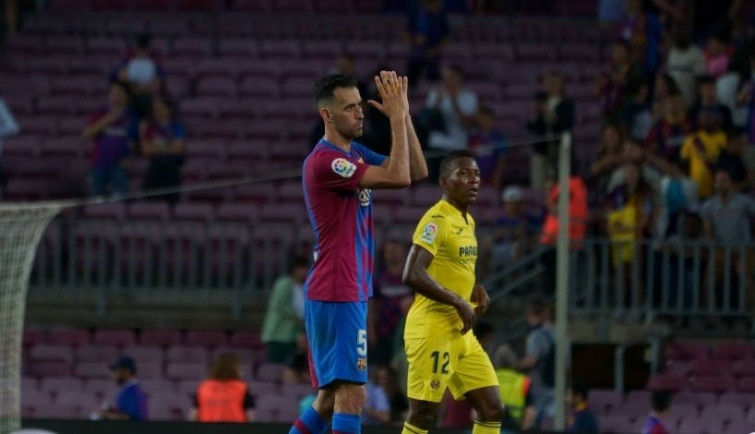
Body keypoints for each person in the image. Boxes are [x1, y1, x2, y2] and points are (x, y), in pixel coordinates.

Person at [289, 70, 427, 434]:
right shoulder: (326, 161)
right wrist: (395, 118)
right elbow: (397, 178)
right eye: (349, 108)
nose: (360, 113)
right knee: (353, 395)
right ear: (327, 115)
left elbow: (415, 169)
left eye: (359, 106)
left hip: (345, 288)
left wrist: (405, 114)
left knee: (330, 399)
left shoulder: (355, 152)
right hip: (338, 288)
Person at [401, 150, 503, 434]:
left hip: (461, 332)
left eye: (477, 174)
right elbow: (412, 273)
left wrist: (473, 289)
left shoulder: (468, 221)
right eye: (464, 174)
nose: (474, 180)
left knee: (492, 408)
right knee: (423, 414)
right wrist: (457, 300)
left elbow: (454, 268)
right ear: (444, 182)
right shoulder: (437, 219)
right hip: (433, 328)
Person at [82, 81, 137, 197]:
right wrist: (105, 122)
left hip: (120, 166)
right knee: (97, 199)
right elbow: (86, 134)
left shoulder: (132, 117)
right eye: (113, 93)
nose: (115, 97)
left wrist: (130, 157)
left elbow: (135, 142)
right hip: (99, 163)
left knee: (119, 200)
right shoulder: (101, 114)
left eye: (119, 93)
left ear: (127, 96)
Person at [512, 296, 555, 427]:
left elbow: (531, 360)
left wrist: (516, 365)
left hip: (539, 389)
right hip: (555, 388)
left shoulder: (536, 335)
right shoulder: (557, 332)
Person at [369, 239, 413, 366]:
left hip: (407, 332)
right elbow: (372, 305)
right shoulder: (378, 277)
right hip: (384, 331)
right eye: (389, 251)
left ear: (403, 252)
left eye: (396, 250)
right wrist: (371, 329)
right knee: (384, 368)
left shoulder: (411, 276)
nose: (393, 254)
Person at [261, 256, 309, 364]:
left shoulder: (304, 287)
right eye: (300, 268)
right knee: (276, 366)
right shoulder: (283, 284)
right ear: (294, 269)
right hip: (279, 335)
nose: (303, 271)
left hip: (293, 336)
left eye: (305, 268)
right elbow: (281, 306)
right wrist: (299, 319)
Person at [139, 97, 186, 205]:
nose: (157, 112)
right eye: (155, 109)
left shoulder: (177, 127)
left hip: (172, 168)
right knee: (150, 200)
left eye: (160, 109)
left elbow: (178, 149)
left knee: (172, 201)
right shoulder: (149, 128)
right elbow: (146, 150)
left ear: (168, 110)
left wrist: (156, 148)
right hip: (155, 167)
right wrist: (168, 147)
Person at [188, 353, 255, 423]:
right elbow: (250, 417)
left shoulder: (203, 387)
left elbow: (193, 416)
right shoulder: (242, 387)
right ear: (236, 368)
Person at [95, 356, 148, 421]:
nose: (114, 374)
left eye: (116, 370)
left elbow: (130, 419)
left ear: (126, 371)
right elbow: (125, 413)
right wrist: (113, 411)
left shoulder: (133, 392)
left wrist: (107, 416)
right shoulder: (127, 390)